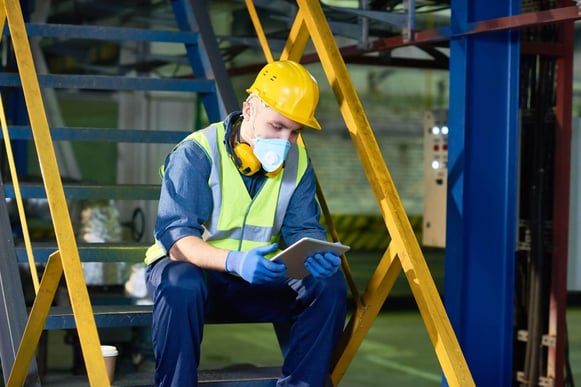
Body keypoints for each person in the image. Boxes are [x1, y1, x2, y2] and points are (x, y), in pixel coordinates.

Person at [143, 60, 347, 386]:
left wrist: (315, 255)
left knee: (328, 287)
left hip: (257, 276)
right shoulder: (197, 152)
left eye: (295, 132)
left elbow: (303, 229)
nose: (286, 140)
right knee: (181, 283)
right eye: (277, 127)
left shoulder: (298, 162)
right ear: (249, 109)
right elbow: (177, 242)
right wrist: (234, 261)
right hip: (200, 277)